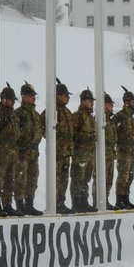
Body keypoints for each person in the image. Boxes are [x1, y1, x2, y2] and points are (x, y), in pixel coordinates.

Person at [12, 82, 43, 215]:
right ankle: (20, 205)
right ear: (23, 97)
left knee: (33, 179)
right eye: (30, 95)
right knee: (20, 179)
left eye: (34, 95)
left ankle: (29, 204)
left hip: (34, 152)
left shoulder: (36, 115)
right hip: (21, 152)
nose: (33, 97)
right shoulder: (18, 114)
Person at [71, 88, 98, 213]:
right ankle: (76, 203)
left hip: (89, 154)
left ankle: (84, 201)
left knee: (86, 179)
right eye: (89, 100)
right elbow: (72, 135)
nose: (92, 103)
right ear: (83, 102)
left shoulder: (90, 118)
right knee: (78, 178)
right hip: (80, 154)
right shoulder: (77, 116)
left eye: (92, 100)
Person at [113, 89, 134, 209]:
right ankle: (119, 200)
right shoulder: (121, 116)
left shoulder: (130, 117)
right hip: (123, 152)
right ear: (127, 102)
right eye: (133, 101)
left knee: (130, 176)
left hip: (131, 151)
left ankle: (126, 199)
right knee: (123, 176)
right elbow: (113, 131)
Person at [0, 83, 19, 217]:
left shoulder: (14, 117)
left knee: (10, 181)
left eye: (12, 100)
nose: (11, 102)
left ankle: (7, 203)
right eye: (9, 100)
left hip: (12, 153)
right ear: (3, 99)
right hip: (1, 153)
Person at [54, 82, 75, 214]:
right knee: (56, 179)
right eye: (66, 95)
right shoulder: (53, 110)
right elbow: (43, 127)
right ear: (58, 95)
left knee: (64, 179)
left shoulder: (67, 112)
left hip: (66, 152)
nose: (68, 98)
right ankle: (55, 203)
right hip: (56, 153)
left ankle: (61, 202)